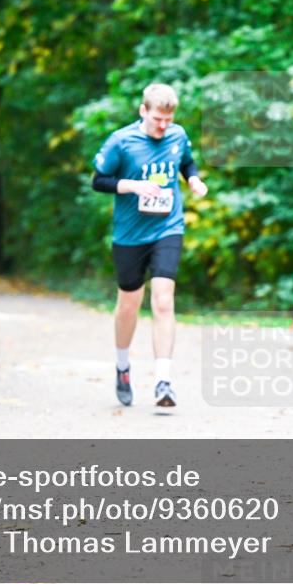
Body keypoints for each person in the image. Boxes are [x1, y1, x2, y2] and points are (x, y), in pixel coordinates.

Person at [91, 83, 208, 408]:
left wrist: (194, 180)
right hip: (129, 234)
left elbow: (187, 162)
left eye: (168, 120)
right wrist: (134, 186)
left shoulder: (177, 135)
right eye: (157, 118)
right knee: (129, 303)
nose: (163, 126)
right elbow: (98, 180)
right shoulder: (121, 141)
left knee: (164, 300)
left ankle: (163, 381)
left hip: (168, 227)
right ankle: (123, 365)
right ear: (143, 111)